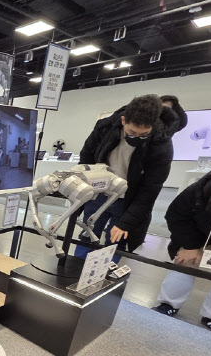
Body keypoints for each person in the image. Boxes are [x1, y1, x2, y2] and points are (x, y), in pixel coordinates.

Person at [74, 94, 174, 258]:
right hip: (98, 192)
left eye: (144, 134)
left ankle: (108, 272)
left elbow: (151, 188)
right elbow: (87, 155)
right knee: (88, 234)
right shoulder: (104, 128)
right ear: (123, 121)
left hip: (129, 199)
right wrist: (86, 184)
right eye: (132, 132)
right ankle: (77, 267)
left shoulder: (161, 144)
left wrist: (126, 222)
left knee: (116, 241)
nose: (137, 137)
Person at [153, 167, 211, 333]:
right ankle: (168, 304)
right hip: (201, 232)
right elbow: (176, 216)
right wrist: (190, 246)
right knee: (186, 260)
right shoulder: (199, 190)